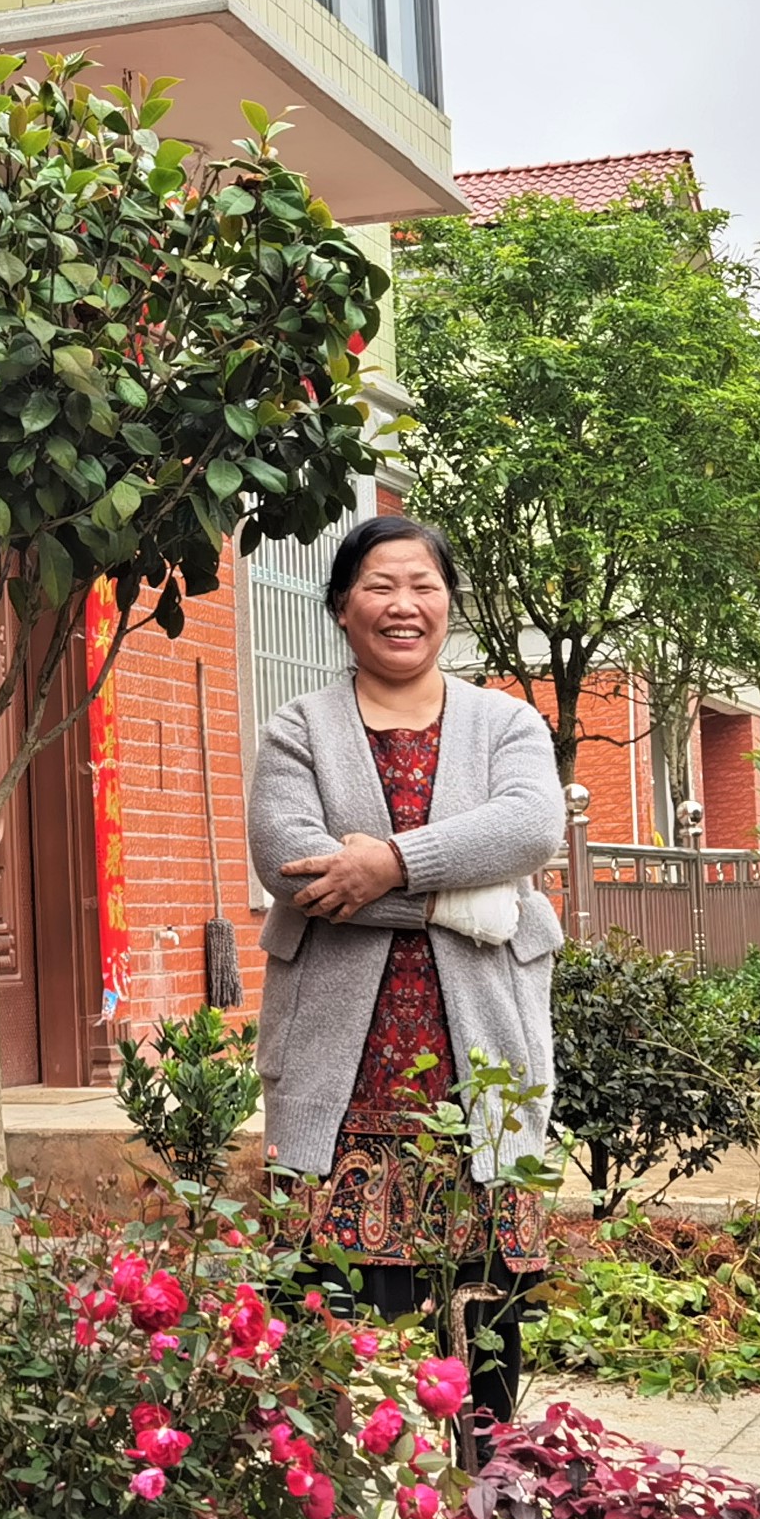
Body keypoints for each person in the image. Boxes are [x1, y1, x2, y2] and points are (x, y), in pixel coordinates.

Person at [247, 516, 566, 1441]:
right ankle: (329, 1515)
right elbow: (292, 866)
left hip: (482, 1059)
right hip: (339, 1072)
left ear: (450, 605)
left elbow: (528, 829)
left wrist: (387, 864)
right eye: (380, 585)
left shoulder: (505, 720)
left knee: (485, 1315)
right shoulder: (298, 727)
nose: (403, 605)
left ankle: (487, 1496)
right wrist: (465, 898)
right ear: (342, 607)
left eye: (423, 585)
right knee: (322, 1317)